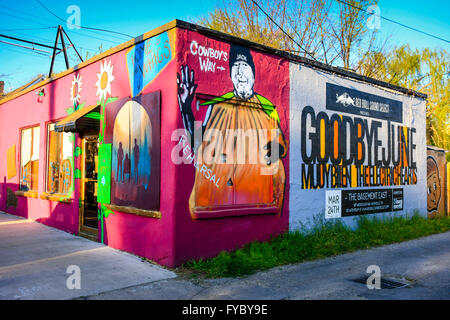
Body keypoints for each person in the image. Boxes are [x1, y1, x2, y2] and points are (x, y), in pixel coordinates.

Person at [177, 45, 287, 215]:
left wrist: (274, 149)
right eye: (235, 67)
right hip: (215, 203)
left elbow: (279, 146)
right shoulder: (217, 108)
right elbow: (198, 145)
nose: (239, 72)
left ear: (254, 74)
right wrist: (185, 107)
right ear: (230, 75)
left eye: (244, 66)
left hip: (257, 203)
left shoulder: (267, 110)